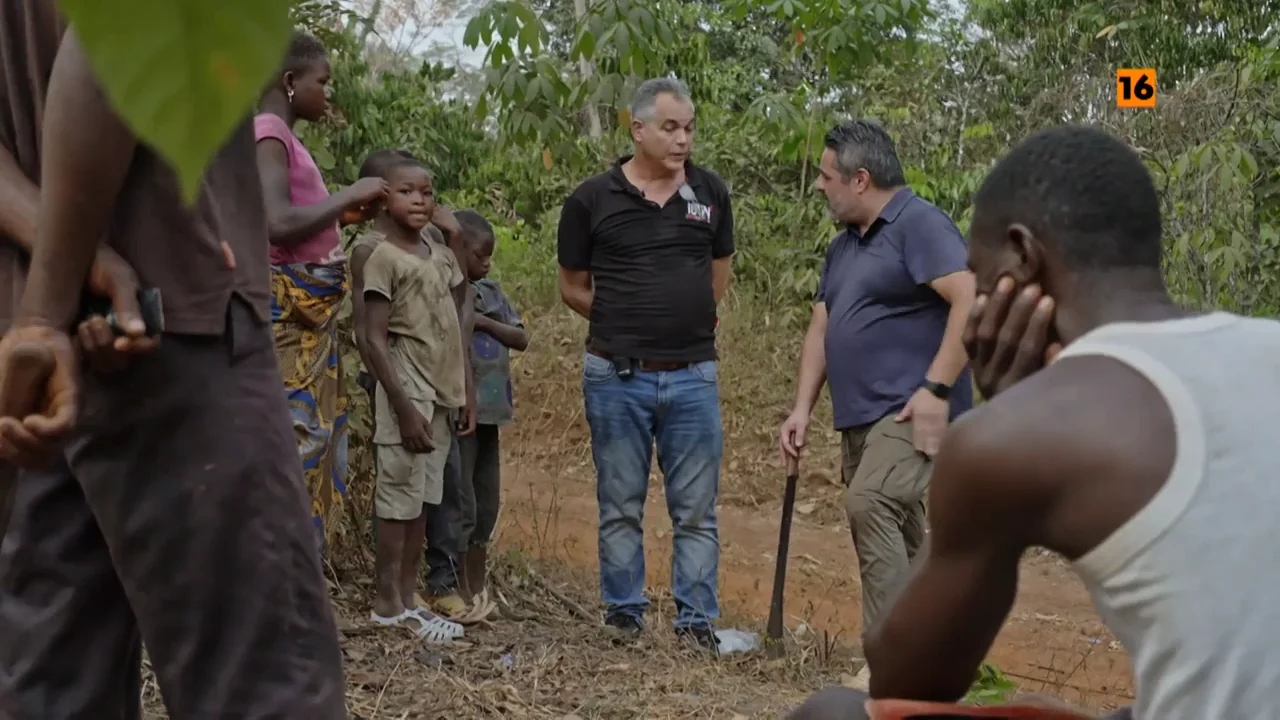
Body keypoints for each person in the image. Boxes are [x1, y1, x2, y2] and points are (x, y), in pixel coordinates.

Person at [794, 125, 1280, 719]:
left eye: (982, 271)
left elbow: (906, 677)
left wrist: (1001, 416)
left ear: (1022, 259)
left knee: (834, 712)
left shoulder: (1022, 436)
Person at [0, 9, 346, 717]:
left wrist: (46, 303)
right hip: (175, 320)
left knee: (54, 685)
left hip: (37, 367)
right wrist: (51, 303)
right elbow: (118, 37)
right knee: (264, 688)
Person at [778, 119, 975, 667]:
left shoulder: (920, 224)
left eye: (826, 176)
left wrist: (936, 388)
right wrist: (801, 409)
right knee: (906, 538)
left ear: (860, 179)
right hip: (860, 417)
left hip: (911, 406)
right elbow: (822, 327)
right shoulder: (844, 248)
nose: (819, 186)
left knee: (871, 501)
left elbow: (971, 299)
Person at [557, 77, 733, 651]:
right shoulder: (591, 200)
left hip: (693, 376)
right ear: (637, 129)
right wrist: (623, 322)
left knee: (697, 510)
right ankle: (624, 615)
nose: (683, 139)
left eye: (689, 128)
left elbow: (717, 279)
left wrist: (682, 322)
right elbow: (572, 287)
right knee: (620, 503)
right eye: (670, 128)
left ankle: (696, 622)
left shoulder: (711, 193)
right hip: (616, 376)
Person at [255, 31, 390, 545]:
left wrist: (339, 211)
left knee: (305, 439)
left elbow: (298, 221)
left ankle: (293, 572)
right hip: (289, 319)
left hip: (305, 317)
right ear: (290, 82)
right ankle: (282, 569)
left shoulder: (282, 136)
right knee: (294, 442)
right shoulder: (269, 132)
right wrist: (346, 196)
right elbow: (277, 221)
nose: (328, 93)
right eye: (322, 82)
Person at [356, 150, 470, 643]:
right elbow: (370, 337)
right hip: (408, 390)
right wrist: (402, 406)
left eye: (427, 191)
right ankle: (388, 603)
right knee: (397, 497)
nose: (421, 200)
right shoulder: (380, 255)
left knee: (423, 497)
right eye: (407, 191)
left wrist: (455, 237)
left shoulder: (436, 250)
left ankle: (409, 600)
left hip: (440, 393)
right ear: (382, 198)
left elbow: (459, 302)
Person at [455, 208, 527, 607]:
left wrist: (481, 322)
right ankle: (459, 588)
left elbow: (520, 338)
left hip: (491, 415)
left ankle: (477, 589)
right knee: (462, 501)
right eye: (480, 256)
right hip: (459, 414)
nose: (487, 263)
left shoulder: (492, 294)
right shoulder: (446, 289)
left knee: (486, 501)